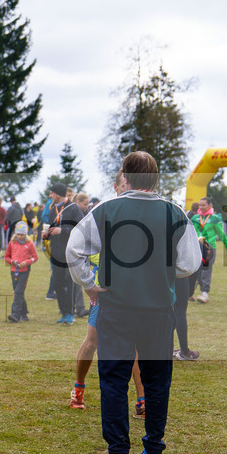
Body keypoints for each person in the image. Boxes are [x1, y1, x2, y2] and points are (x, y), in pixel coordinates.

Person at [66, 151, 201, 454]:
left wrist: (89, 285)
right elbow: (189, 263)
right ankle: (154, 451)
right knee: (158, 379)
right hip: (158, 308)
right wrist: (161, 272)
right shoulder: (174, 212)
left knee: (114, 378)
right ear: (155, 179)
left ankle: (117, 453)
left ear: (125, 177)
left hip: (117, 306)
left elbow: (74, 249)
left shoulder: (106, 209)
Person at [70, 176, 146, 412]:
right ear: (116, 187)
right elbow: (84, 251)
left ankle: (142, 400)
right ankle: (78, 389)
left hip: (134, 292)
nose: (130, 188)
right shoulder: (103, 213)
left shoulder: (142, 214)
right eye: (125, 184)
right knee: (92, 342)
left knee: (135, 346)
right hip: (105, 292)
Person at [43, 183, 83, 324]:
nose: (50, 196)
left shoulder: (74, 209)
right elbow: (52, 229)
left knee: (69, 282)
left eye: (52, 193)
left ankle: (70, 313)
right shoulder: (53, 210)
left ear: (58, 194)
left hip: (70, 252)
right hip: (56, 252)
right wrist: (47, 235)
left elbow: (81, 229)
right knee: (57, 282)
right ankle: (64, 312)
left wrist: (63, 230)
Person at [190, 197, 227, 303]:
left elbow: (221, 233)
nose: (201, 207)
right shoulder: (195, 218)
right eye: (200, 205)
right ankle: (190, 293)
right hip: (196, 246)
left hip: (209, 247)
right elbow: (190, 232)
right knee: (195, 270)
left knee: (206, 270)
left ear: (210, 205)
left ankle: (205, 293)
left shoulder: (215, 218)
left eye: (203, 205)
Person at [4, 221, 36, 323]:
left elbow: (35, 257)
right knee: (18, 291)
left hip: (25, 271)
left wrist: (27, 262)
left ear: (25, 234)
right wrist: (12, 262)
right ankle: (24, 312)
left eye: (22, 235)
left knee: (18, 291)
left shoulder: (30, 244)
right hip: (14, 270)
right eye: (18, 234)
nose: (19, 236)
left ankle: (15, 314)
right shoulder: (12, 243)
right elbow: (6, 257)